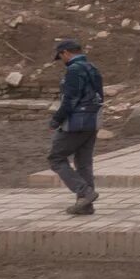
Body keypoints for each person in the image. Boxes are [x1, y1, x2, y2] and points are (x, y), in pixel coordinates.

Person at [44, 38, 104, 214]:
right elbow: (100, 96)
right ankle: (85, 205)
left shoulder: (74, 70)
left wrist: (56, 120)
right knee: (83, 162)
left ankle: (84, 192)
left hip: (76, 123)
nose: (61, 60)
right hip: (92, 121)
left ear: (66, 53)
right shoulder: (92, 68)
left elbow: (70, 100)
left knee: (56, 158)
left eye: (61, 56)